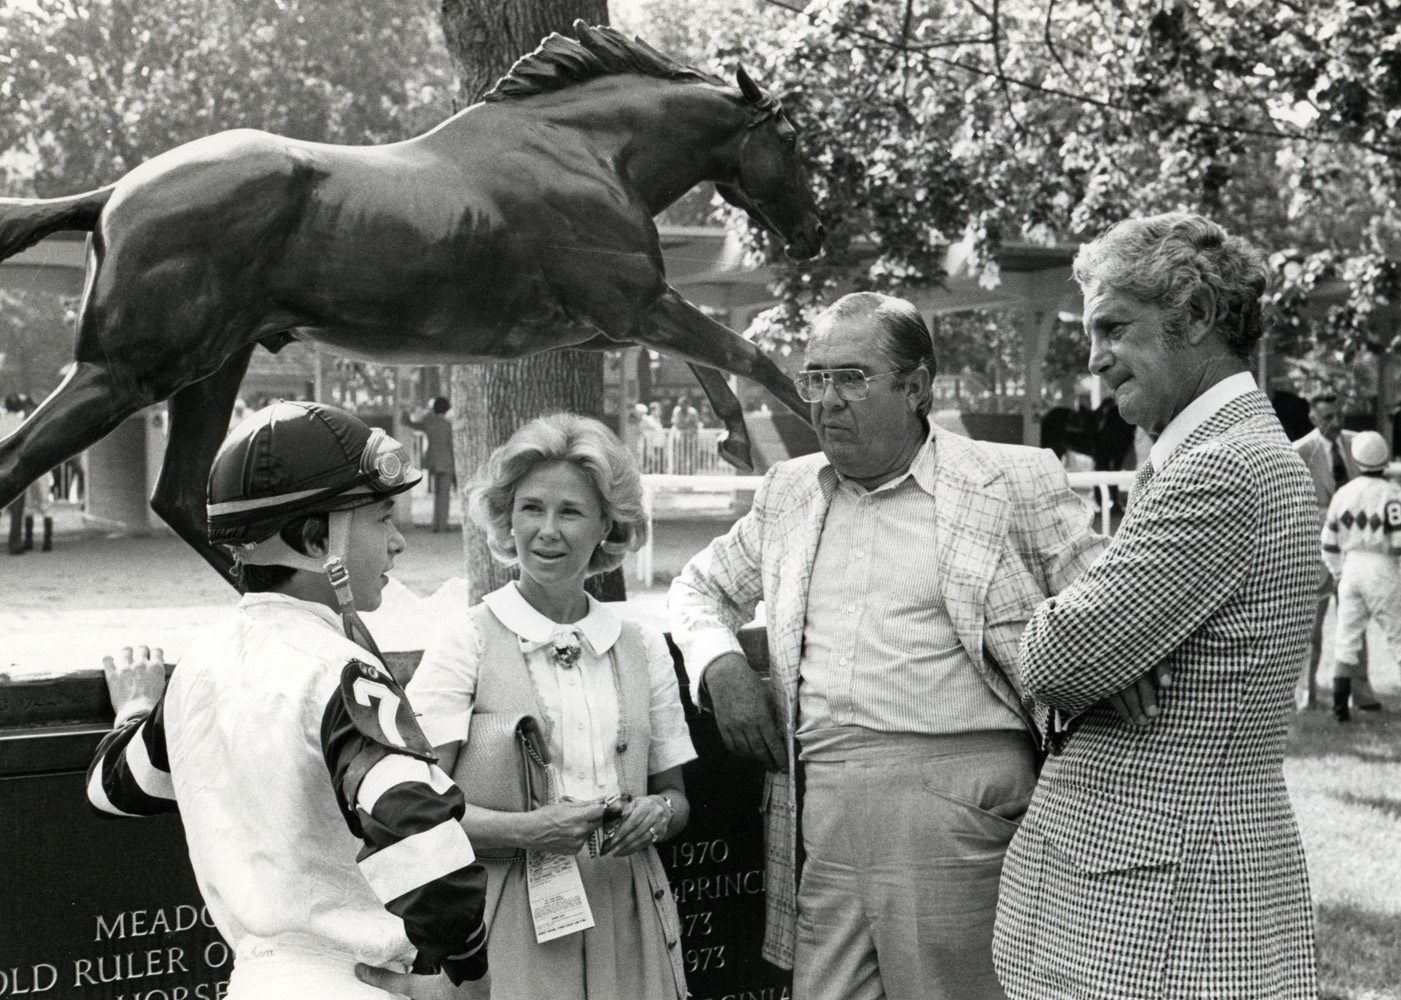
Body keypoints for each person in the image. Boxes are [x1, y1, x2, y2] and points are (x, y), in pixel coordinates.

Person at [668, 291, 1106, 1000]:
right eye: (815, 378)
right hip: (820, 802)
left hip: (956, 801)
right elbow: (697, 588)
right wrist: (720, 663)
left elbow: (1102, 599)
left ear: (915, 386)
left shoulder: (1008, 479)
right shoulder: (788, 492)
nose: (825, 401)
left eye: (851, 377)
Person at [993, 213, 1318, 999]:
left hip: (1161, 916)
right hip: (1163, 902)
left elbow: (1055, 658)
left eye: (1112, 327)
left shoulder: (1220, 469)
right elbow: (1086, 645)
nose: (1096, 359)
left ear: (1197, 317)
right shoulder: (1224, 453)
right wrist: (1102, 633)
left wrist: (1083, 639)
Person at [86, 401, 490, 1000]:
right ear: (313, 537)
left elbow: (113, 790)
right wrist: (466, 976)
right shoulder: (341, 672)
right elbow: (425, 838)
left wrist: (136, 712)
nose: (399, 541)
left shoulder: (200, 662)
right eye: (382, 519)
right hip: (360, 982)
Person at [407, 412, 694, 1000]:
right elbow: (416, 815)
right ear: (506, 519)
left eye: (570, 512)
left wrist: (658, 813)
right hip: (501, 921)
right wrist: (530, 830)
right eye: (531, 508)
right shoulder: (468, 639)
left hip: (629, 909)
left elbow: (677, 796)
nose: (547, 531)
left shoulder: (641, 646)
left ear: (606, 528)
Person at [1294, 390, 1380, 709]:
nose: (1335, 423)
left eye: (1339, 416)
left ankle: (1362, 692)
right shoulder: (1300, 451)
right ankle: (1307, 693)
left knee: (1355, 623)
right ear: (1313, 418)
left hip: (1355, 552)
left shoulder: (1361, 445)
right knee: (1310, 629)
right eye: (1327, 417)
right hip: (1316, 555)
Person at [1321, 430, 1397, 720]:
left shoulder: (1343, 494)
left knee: (1345, 639)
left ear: (1356, 458)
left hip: (1351, 566)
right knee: (1398, 637)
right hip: (1384, 566)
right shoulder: (1393, 494)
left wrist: (1339, 572)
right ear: (1385, 458)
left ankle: (1340, 710)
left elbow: (1328, 543)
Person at [403, 396, 458, 533]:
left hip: (433, 461)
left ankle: (435, 524)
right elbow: (451, 446)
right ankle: (442, 524)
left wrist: (406, 410)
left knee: (437, 494)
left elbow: (409, 423)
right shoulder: (447, 425)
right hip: (447, 461)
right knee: (444, 495)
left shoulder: (429, 422)